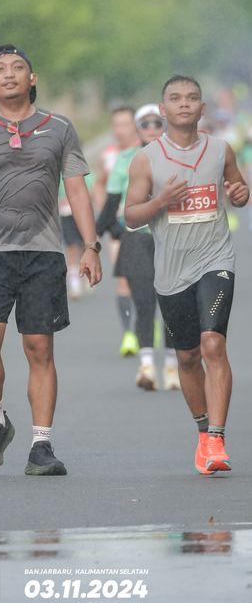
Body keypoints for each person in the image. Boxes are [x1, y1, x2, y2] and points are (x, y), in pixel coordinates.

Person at [0, 43, 101, 476]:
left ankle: (41, 445)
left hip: (43, 252)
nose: (9, 74)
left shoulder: (59, 127)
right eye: (0, 69)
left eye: (17, 68)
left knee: (39, 347)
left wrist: (90, 246)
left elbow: (77, 189)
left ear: (32, 79)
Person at [125, 75, 249, 474]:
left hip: (216, 259)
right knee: (188, 355)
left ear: (202, 108)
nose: (184, 104)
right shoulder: (146, 159)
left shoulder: (220, 149)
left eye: (192, 98)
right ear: (163, 110)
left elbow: (238, 189)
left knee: (213, 343)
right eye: (175, 98)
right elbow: (130, 216)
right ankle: (202, 431)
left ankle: (217, 438)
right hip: (172, 270)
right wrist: (161, 200)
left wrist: (241, 193)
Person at [96, 104, 180, 391]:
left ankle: (171, 367)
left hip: (173, 240)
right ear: (138, 128)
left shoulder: (179, 156)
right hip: (138, 240)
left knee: (172, 306)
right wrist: (98, 238)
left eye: (158, 123)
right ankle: (147, 367)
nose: (152, 129)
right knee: (144, 304)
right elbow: (110, 205)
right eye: (146, 124)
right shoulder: (125, 159)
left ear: (165, 125)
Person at [94, 107, 141, 357]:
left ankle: (148, 322)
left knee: (148, 279)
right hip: (118, 226)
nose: (120, 130)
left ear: (135, 126)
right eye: (116, 125)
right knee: (123, 278)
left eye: (125, 124)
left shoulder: (146, 152)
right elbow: (100, 183)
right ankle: (129, 334)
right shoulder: (110, 155)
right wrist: (106, 212)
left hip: (145, 225)